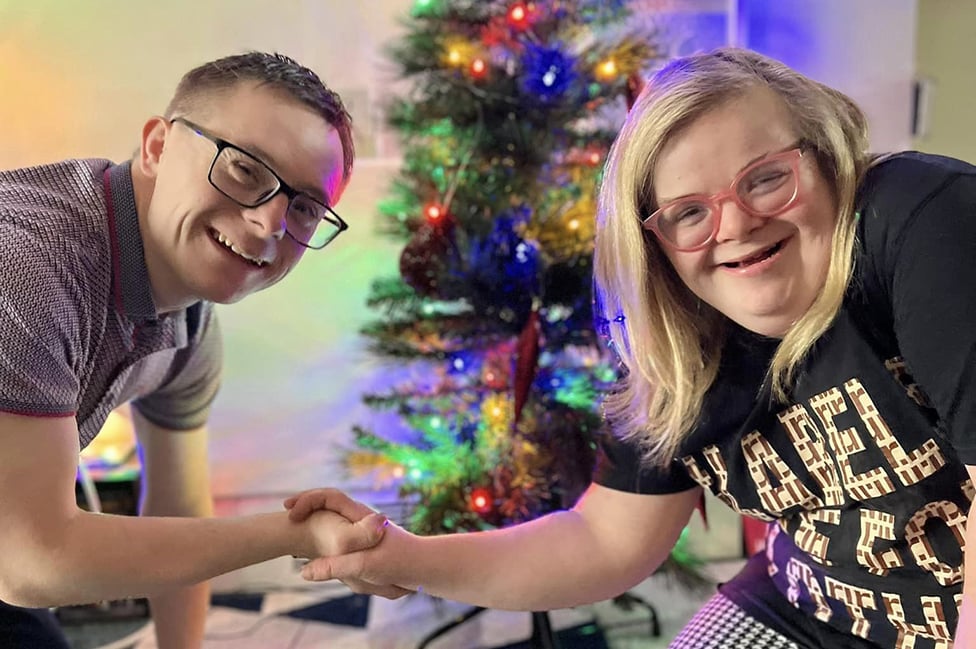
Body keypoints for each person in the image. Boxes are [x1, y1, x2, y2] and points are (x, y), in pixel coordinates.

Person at [285, 47, 976, 648]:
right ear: (655, 243)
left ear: (825, 161)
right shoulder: (669, 336)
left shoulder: (920, 220)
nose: (734, 224)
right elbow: (606, 540)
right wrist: (408, 557)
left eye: (767, 176)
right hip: (816, 602)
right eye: (687, 213)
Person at [0, 51, 388, 649]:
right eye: (244, 170)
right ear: (157, 146)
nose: (267, 225)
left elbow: (177, 508)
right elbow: (31, 561)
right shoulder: (29, 265)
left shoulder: (191, 323)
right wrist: (298, 534)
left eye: (305, 207)